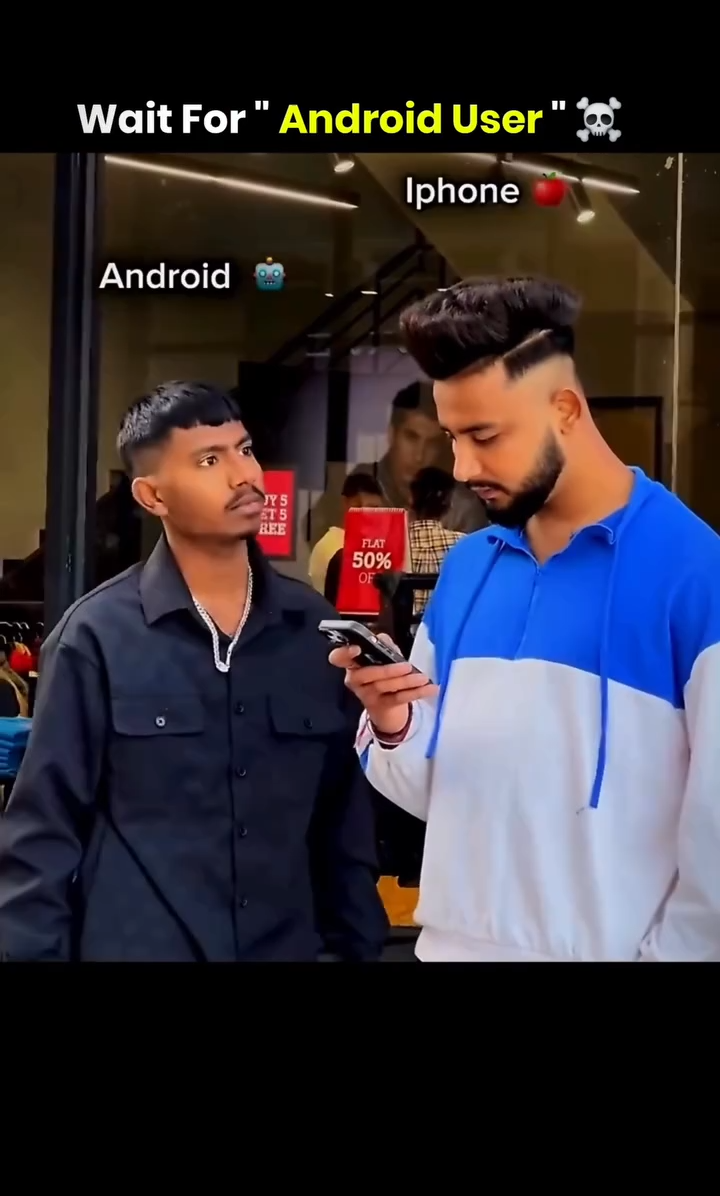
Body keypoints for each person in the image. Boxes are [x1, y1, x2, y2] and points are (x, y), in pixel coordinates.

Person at [329, 276, 720, 963]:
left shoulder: (696, 571)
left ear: (564, 408)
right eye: (453, 437)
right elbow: (433, 793)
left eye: (484, 435)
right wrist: (393, 724)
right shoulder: (467, 567)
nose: (461, 466)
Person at [0, 381, 388, 962]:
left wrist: (354, 948)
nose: (243, 475)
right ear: (152, 495)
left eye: (245, 450)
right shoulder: (96, 636)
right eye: (209, 460)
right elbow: (42, 835)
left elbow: (343, 825)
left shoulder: (315, 631)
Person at [307, 381, 486, 545]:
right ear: (392, 433)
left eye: (431, 444)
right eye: (411, 437)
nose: (419, 456)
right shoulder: (358, 485)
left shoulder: (461, 505)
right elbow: (316, 532)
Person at [308, 471, 383, 594]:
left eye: (375, 509)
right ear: (346, 503)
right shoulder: (330, 546)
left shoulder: (378, 544)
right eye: (359, 507)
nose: (368, 516)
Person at [407, 467, 464, 617]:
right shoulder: (465, 545)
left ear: (411, 499)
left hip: (398, 631)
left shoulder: (392, 545)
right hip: (445, 631)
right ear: (448, 503)